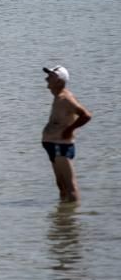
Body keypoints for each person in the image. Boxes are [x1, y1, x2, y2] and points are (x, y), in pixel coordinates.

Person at [41, 66, 92, 202]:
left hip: (61, 146)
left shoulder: (66, 99)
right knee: (61, 186)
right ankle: (63, 219)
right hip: (53, 146)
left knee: (70, 187)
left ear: (58, 81)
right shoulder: (58, 97)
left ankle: (73, 220)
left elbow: (86, 115)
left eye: (50, 76)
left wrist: (69, 130)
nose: (46, 78)